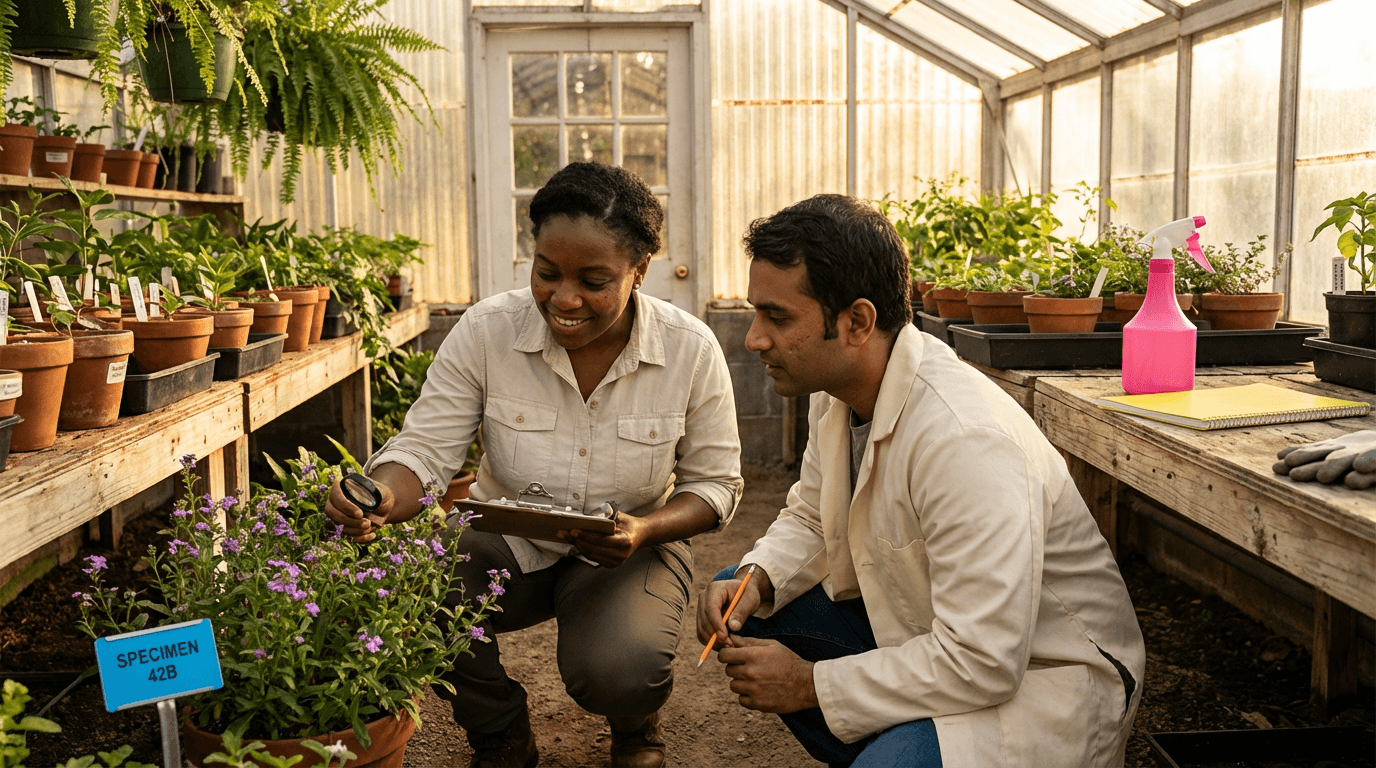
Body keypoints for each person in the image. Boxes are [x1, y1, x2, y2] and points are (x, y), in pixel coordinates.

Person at [696, 194, 1145, 768]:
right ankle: (890, 747)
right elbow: (812, 514)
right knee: (745, 595)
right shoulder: (839, 391)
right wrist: (758, 575)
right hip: (935, 639)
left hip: (1044, 676)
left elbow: (984, 659)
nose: (754, 339)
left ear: (857, 321)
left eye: (777, 317)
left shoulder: (966, 439)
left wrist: (812, 685)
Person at [326, 162, 743, 768]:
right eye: (547, 273)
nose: (564, 299)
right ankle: (499, 732)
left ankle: (634, 723)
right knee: (416, 587)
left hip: (628, 550)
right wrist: (382, 496)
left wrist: (644, 530)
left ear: (640, 270)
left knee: (618, 668)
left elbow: (716, 484)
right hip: (507, 545)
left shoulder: (688, 348)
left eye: (594, 280)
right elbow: (425, 451)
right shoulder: (489, 331)